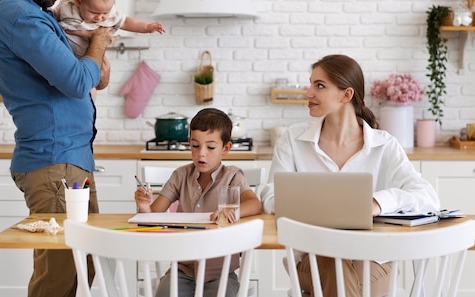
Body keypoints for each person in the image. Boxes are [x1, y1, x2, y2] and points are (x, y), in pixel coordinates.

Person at [0, 0, 115, 297]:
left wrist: (95, 60)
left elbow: (83, 75)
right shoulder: (21, 17)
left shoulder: (31, 11)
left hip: (68, 159)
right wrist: (100, 43)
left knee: (81, 269)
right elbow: (77, 81)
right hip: (54, 161)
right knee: (59, 277)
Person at [260, 54, 440, 297]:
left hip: (372, 259)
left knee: (338, 272)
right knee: (332, 259)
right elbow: (271, 195)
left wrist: (377, 203)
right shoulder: (292, 140)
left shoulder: (384, 145)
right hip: (312, 259)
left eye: (319, 86)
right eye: (311, 84)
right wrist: (314, 207)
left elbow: (427, 196)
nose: (308, 93)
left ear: (346, 95)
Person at [134, 108, 263, 297]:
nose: (201, 154)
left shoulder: (233, 176)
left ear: (226, 148)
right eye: (195, 146)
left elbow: (255, 204)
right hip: (182, 270)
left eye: (210, 147)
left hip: (221, 272)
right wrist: (145, 208)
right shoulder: (181, 176)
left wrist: (233, 211)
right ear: (189, 144)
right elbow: (154, 216)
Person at [53, 0, 165, 58]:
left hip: (89, 58)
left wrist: (146, 27)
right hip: (64, 54)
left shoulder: (112, 14)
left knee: (92, 84)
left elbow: (126, 21)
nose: (99, 17)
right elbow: (51, 15)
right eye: (93, 12)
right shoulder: (67, 7)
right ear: (79, 2)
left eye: (105, 12)